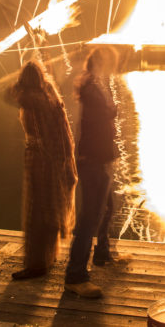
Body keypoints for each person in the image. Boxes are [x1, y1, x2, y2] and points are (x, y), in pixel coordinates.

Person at [64, 47, 130, 299]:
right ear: (101, 63)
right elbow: (95, 123)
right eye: (111, 62)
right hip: (93, 160)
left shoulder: (92, 85)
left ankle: (103, 253)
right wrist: (111, 112)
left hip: (99, 157)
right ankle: (76, 275)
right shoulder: (91, 89)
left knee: (108, 207)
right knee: (88, 219)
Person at [9, 59, 77, 280]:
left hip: (40, 160)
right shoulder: (51, 96)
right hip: (57, 159)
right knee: (49, 210)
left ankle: (36, 264)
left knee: (35, 212)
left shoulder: (30, 99)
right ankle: (48, 257)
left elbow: (8, 93)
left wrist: (20, 82)